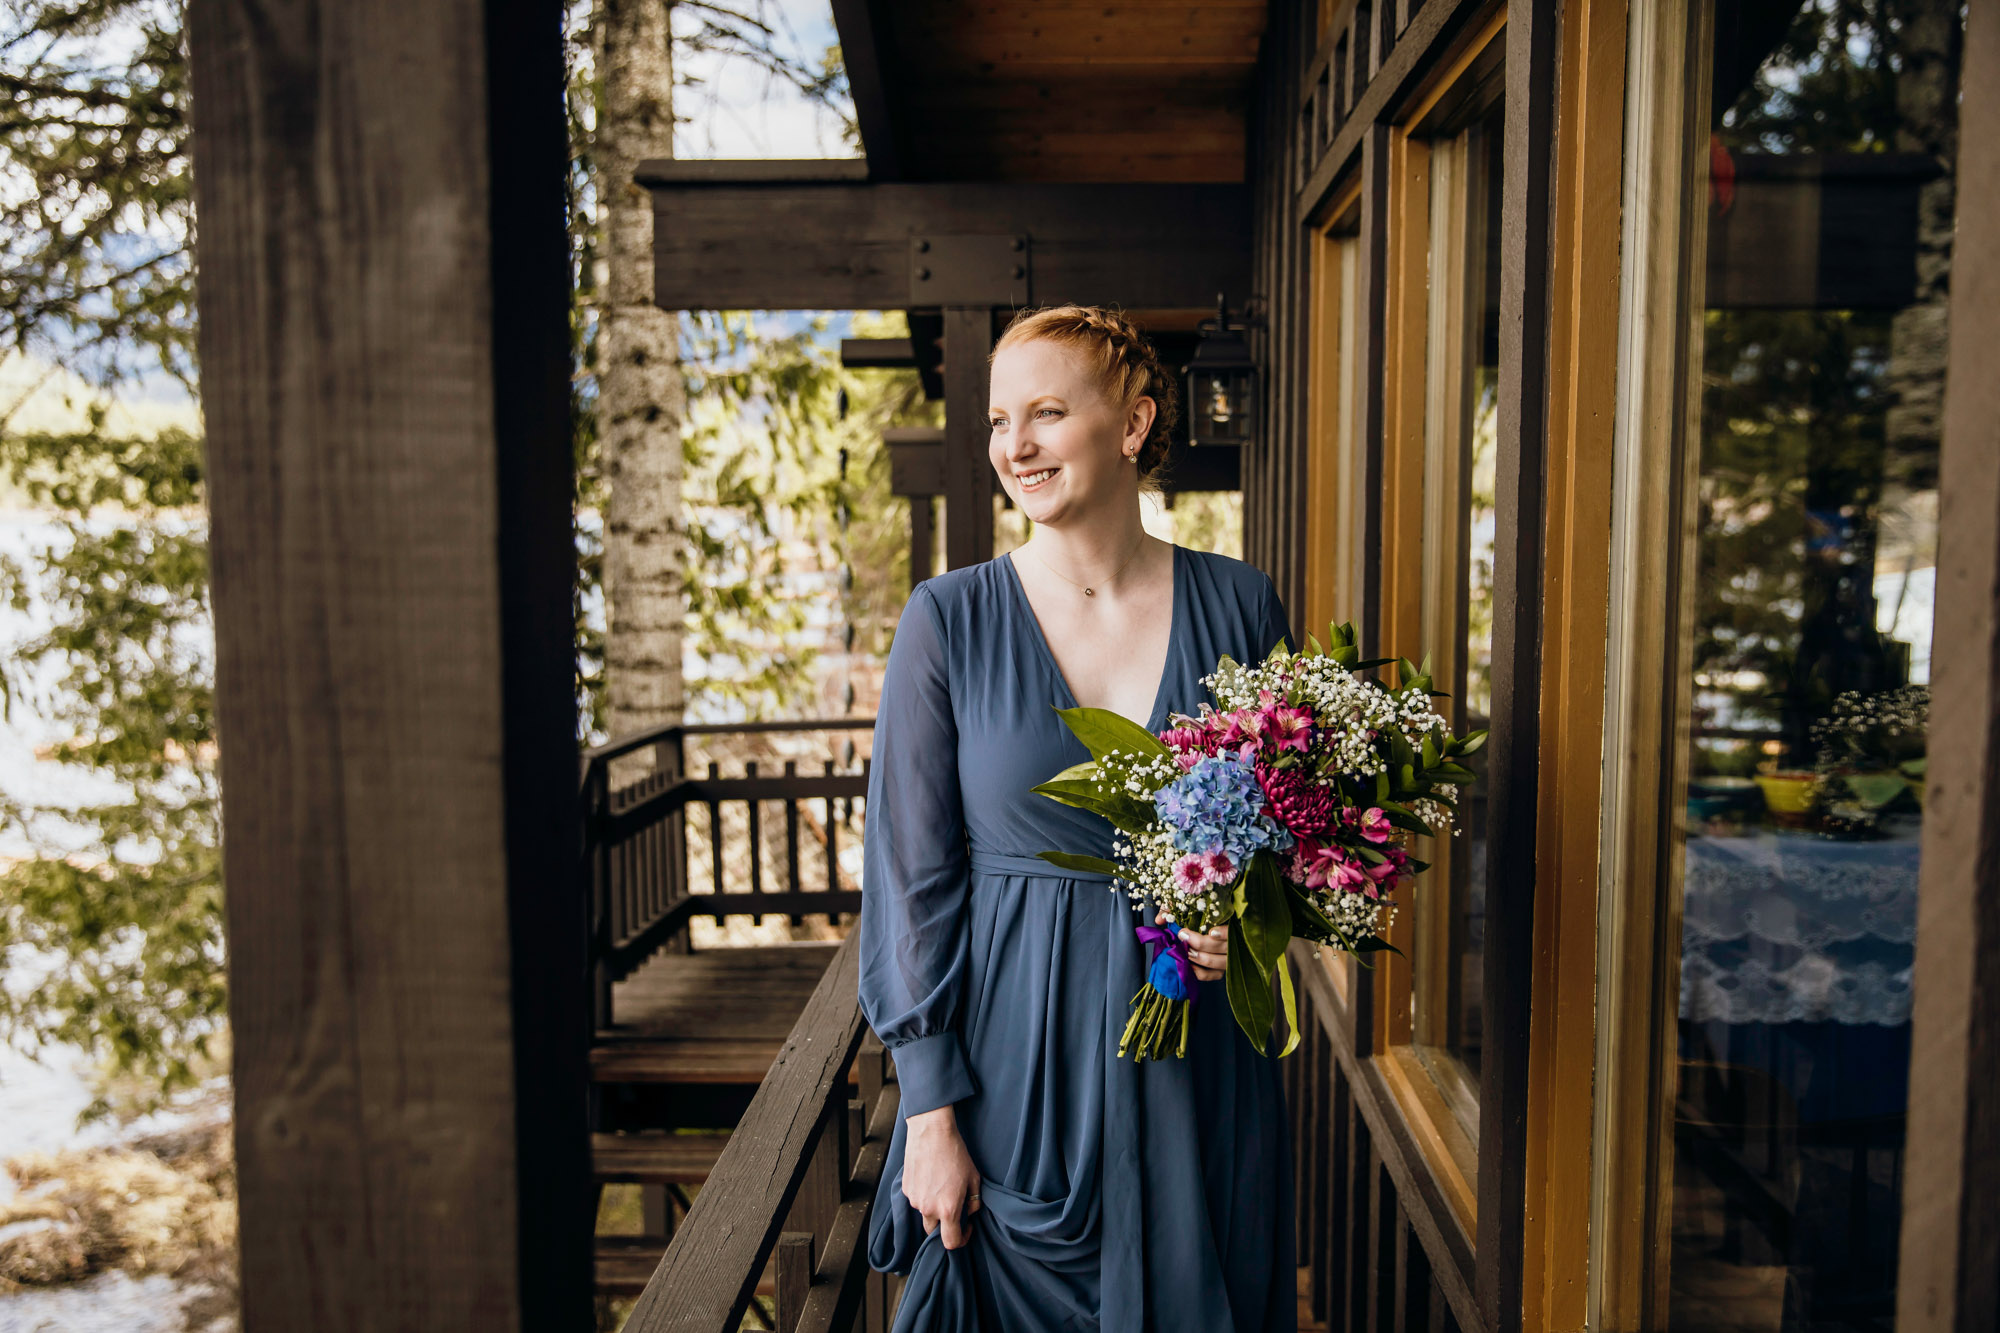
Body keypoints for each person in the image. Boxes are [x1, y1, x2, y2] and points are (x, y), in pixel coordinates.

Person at [858, 304, 1298, 1332]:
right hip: (1019, 1058)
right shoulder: (948, 621)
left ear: (1135, 423)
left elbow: (1286, 835)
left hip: (1197, 1060)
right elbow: (908, 882)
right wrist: (929, 1111)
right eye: (998, 420)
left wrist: (1237, 919)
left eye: (1046, 413)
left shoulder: (1240, 606)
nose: (1014, 445)